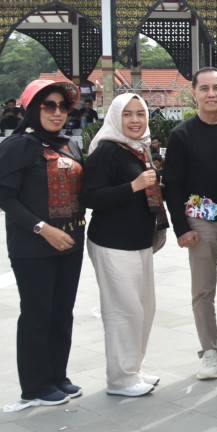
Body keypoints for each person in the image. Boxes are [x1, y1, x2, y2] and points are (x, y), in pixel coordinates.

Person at [0, 79, 86, 406]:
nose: (57, 113)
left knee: (61, 312)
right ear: (32, 109)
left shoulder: (71, 144)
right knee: (37, 313)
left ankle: (58, 376)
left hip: (70, 242)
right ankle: (35, 385)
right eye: (48, 106)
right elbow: (7, 199)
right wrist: (43, 229)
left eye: (63, 107)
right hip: (33, 246)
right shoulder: (17, 147)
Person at [162, 67, 217, 380]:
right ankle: (209, 352)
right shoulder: (182, 135)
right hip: (200, 221)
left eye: (216, 88)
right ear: (195, 93)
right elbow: (171, 184)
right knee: (203, 290)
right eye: (204, 89)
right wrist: (181, 227)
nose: (211, 94)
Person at [83, 93, 168, 398]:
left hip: (139, 242)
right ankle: (119, 380)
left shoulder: (139, 149)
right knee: (123, 312)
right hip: (113, 243)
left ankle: (131, 370)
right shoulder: (107, 151)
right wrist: (133, 186)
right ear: (115, 118)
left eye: (140, 114)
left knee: (144, 309)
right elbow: (90, 197)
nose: (135, 120)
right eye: (127, 114)